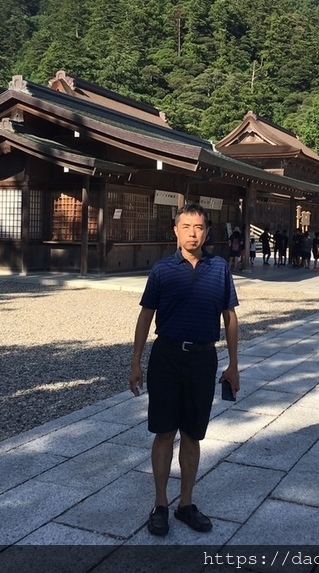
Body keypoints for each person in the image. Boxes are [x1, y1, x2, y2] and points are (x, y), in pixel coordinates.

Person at [129, 203, 240, 537]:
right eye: (186, 227)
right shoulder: (162, 270)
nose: (193, 233)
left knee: (193, 433)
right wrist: (136, 362)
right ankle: (160, 504)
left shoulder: (219, 268)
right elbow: (146, 315)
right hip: (167, 356)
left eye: (199, 227)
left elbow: (230, 316)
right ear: (175, 230)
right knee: (164, 432)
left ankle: (186, 503)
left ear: (207, 232)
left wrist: (234, 365)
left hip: (203, 359)